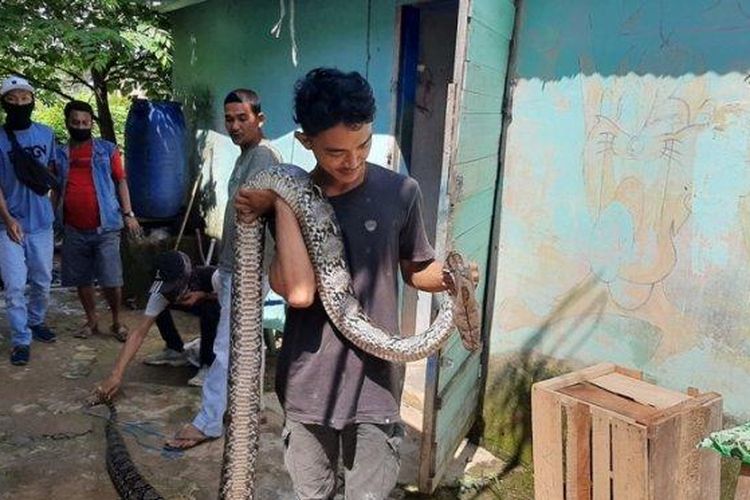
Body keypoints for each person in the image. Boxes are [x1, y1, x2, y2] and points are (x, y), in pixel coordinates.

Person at [234, 68, 478, 499]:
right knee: (314, 493)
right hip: (307, 381)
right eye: (335, 152)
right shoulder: (283, 197)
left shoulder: (401, 192)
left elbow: (414, 267)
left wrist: (449, 279)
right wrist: (289, 199)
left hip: (376, 385)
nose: (352, 160)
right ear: (306, 141)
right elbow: (299, 292)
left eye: (363, 144)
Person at [163, 88, 284, 450]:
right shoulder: (247, 155)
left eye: (241, 118)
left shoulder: (263, 155)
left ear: (259, 119)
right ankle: (253, 406)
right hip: (233, 267)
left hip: (248, 271)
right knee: (247, 343)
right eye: (229, 119)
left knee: (226, 346)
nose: (233, 125)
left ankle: (209, 421)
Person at [56, 100, 141, 342]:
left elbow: (121, 181)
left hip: (107, 226)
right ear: (68, 123)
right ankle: (92, 320)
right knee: (80, 278)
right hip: (73, 227)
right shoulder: (60, 154)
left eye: (85, 122)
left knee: (112, 279)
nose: (81, 126)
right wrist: (54, 220)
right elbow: (56, 187)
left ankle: (116, 321)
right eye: (76, 122)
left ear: (92, 123)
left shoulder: (107, 150)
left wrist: (129, 214)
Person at [96, 250, 221, 397]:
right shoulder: (161, 293)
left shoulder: (214, 277)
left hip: (216, 305)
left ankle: (208, 364)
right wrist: (115, 375)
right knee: (158, 307)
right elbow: (138, 333)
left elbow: (239, 298)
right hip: (193, 301)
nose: (166, 292)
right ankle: (174, 350)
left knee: (210, 310)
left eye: (170, 287)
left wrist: (204, 295)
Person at [0, 76, 58, 366]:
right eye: (12, 99)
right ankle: (21, 338)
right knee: (13, 286)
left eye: (24, 98)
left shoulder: (46, 134)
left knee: (43, 281)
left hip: (42, 223)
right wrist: (8, 219)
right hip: (8, 225)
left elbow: (50, 171)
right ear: (4, 104)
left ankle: (35, 321)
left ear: (32, 101)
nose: (19, 104)